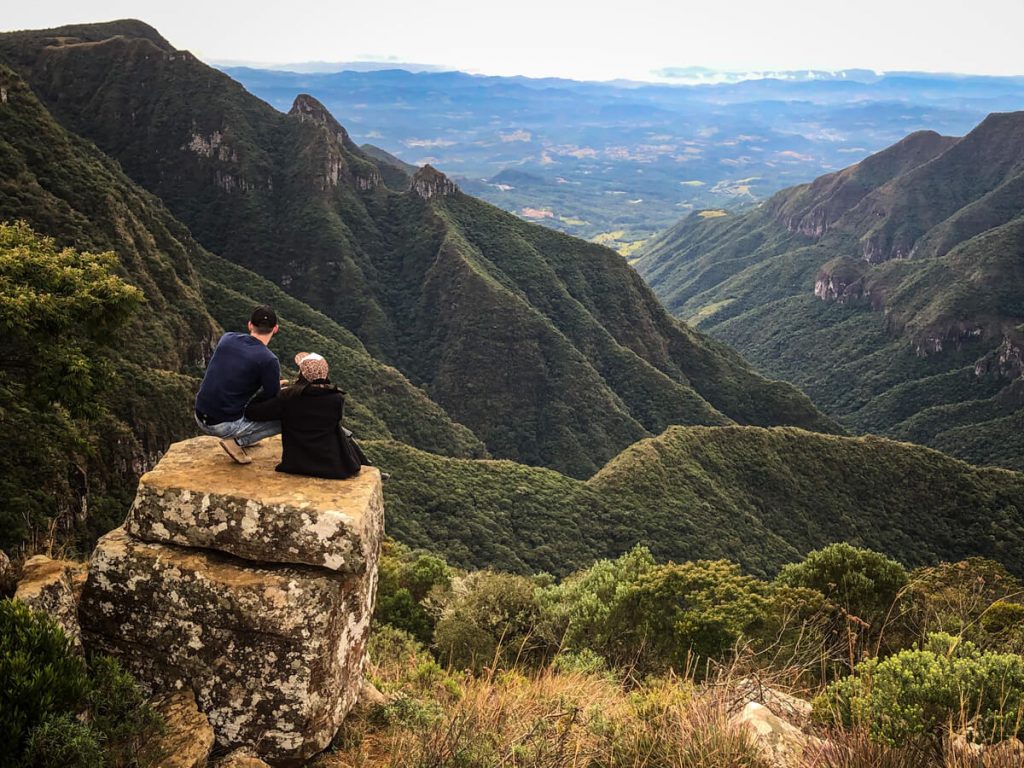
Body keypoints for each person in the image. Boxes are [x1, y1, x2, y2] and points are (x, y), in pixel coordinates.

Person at [245, 352, 366, 479]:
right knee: (342, 431)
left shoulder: (288, 397)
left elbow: (252, 412)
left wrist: (270, 391)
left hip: (296, 465)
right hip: (331, 465)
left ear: (302, 374)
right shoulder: (337, 398)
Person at [195, 305, 283, 464]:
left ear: (250, 325)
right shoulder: (269, 360)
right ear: (275, 329)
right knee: (286, 418)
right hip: (222, 424)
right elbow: (272, 397)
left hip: (200, 414)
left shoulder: (227, 338)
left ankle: (244, 436)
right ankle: (237, 442)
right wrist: (276, 386)